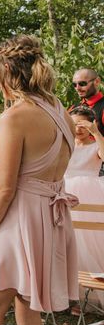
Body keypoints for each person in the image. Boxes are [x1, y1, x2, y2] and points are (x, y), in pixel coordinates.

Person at [0, 35, 78, 325]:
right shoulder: (60, 111)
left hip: (20, 222)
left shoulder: (15, 115)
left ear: (6, 71)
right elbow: (37, 163)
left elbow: (5, 188)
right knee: (28, 314)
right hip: (48, 221)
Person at [64, 106, 104, 310]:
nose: (78, 129)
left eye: (82, 124)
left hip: (89, 195)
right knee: (66, 244)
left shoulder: (95, 144)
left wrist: (96, 133)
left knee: (90, 244)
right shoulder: (65, 143)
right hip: (63, 194)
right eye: (74, 124)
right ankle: (68, 295)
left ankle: (89, 297)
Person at [70, 69, 104, 135]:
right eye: (74, 85)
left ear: (97, 81)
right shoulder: (73, 107)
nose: (77, 88)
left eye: (82, 83)